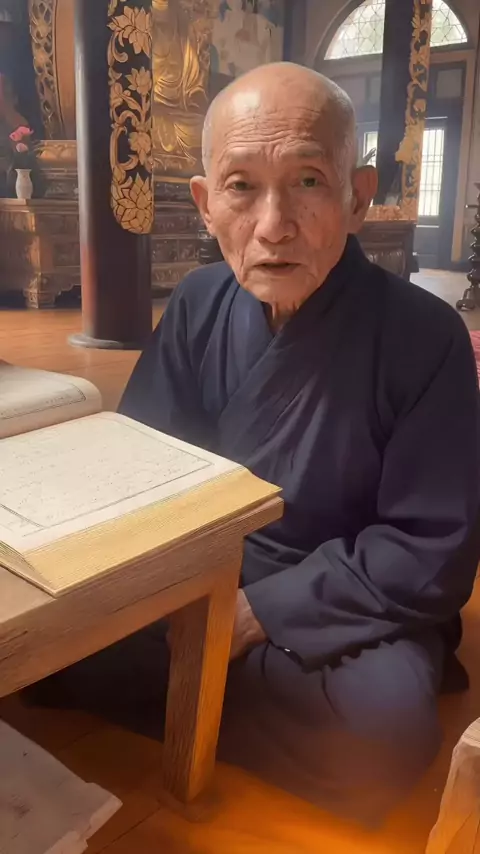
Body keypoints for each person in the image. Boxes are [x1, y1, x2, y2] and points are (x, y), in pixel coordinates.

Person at [33, 63, 480, 825]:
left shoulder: (424, 335)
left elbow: (428, 550)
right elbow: (142, 471)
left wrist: (254, 613)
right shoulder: (198, 303)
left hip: (341, 599)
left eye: (307, 180)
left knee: (382, 730)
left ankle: (168, 685)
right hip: (202, 570)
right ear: (206, 205)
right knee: (48, 629)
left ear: (357, 198)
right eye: (241, 186)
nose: (273, 225)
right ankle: (179, 680)